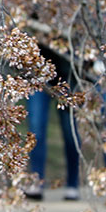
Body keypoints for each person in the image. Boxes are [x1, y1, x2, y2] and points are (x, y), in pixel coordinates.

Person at [24, 44, 82, 201]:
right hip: (38, 72)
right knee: (36, 128)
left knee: (70, 130)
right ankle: (36, 181)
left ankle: (72, 183)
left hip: (66, 73)